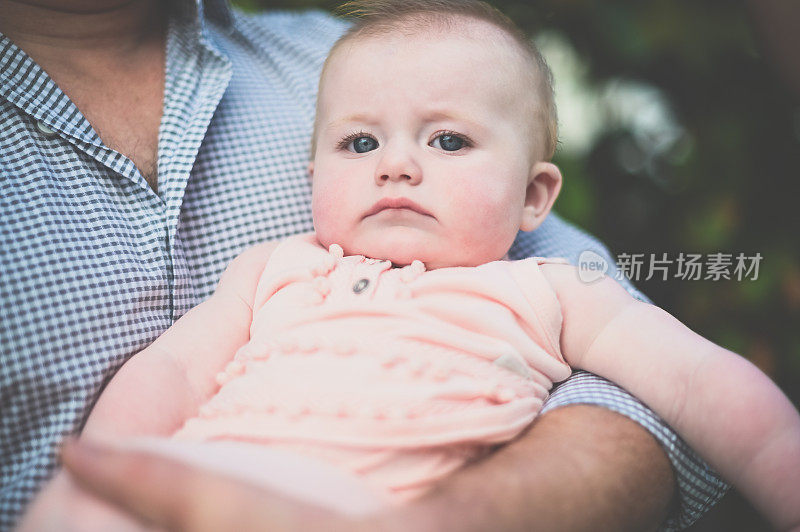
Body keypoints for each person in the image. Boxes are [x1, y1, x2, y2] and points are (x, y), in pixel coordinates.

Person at [24, 1, 800, 530]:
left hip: (359, 506)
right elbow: (175, 373)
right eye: (360, 144)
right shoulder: (273, 270)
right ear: (313, 179)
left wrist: (779, 466)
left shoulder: (549, 291)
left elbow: (697, 381)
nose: (397, 166)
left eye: (449, 141)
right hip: (186, 485)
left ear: (534, 196)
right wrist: (101, 473)